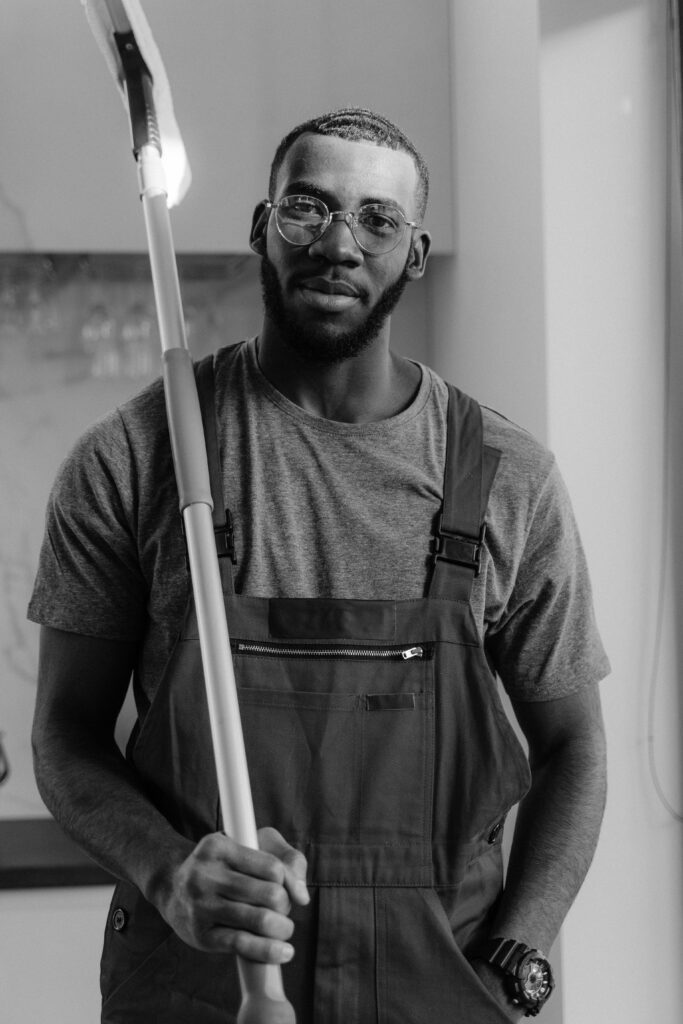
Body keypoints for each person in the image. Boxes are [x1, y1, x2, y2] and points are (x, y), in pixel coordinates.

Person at [29, 108, 609, 1023]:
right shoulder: (137, 460)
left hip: (441, 985)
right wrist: (168, 870)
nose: (340, 243)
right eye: (309, 207)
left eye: (378, 219)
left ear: (414, 254)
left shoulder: (507, 479)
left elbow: (573, 747)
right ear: (263, 229)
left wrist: (515, 961)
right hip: (197, 985)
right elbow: (64, 736)